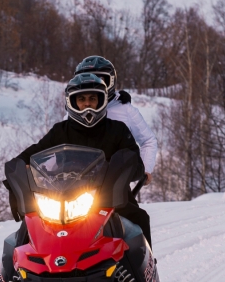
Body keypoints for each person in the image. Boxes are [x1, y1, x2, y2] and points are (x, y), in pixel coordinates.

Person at [12, 72, 147, 242]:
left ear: (102, 100)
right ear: (72, 102)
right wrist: (19, 165)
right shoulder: (60, 131)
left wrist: (126, 167)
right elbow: (35, 151)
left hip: (112, 195)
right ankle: (16, 268)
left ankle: (144, 267)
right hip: (63, 197)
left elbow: (136, 163)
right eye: (81, 99)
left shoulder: (118, 129)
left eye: (92, 98)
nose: (87, 104)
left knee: (138, 219)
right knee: (28, 228)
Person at [74, 56, 157, 243]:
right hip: (76, 184)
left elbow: (148, 140)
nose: (94, 84)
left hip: (115, 181)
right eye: (87, 78)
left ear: (110, 82)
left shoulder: (125, 111)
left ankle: (145, 266)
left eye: (101, 79)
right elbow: (59, 144)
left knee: (137, 220)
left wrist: (145, 168)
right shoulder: (73, 112)